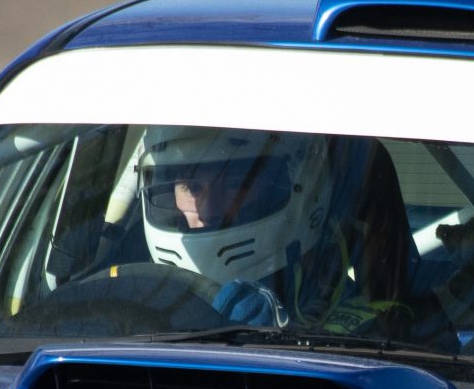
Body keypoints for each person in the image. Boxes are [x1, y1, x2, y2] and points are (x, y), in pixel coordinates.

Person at [136, 126, 437, 339]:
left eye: (232, 183)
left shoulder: (371, 335)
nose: (205, 209)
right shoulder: (134, 305)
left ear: (302, 184)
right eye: (191, 187)